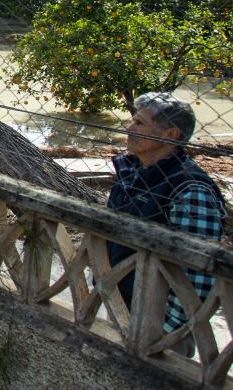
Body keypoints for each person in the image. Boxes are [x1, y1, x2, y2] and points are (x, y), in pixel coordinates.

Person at [106, 92, 226, 357]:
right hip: (122, 308)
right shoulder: (133, 172)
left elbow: (196, 275)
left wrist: (164, 333)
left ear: (170, 135)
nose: (129, 129)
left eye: (140, 123)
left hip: (159, 330)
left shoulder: (190, 190)